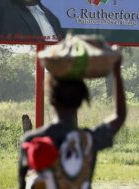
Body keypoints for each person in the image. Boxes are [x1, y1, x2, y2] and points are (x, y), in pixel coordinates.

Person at [18, 45, 126, 189]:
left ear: (51, 99)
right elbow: (120, 116)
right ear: (82, 101)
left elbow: (22, 185)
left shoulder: (31, 140)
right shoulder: (89, 141)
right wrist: (116, 71)